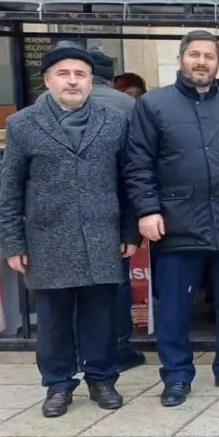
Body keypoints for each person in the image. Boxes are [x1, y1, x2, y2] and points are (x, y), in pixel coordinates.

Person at [125, 30, 219, 408]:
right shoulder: (153, 106)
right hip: (176, 222)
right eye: (194, 55)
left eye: (209, 56)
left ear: (218, 63)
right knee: (174, 307)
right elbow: (138, 163)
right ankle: (176, 375)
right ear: (181, 59)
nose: (201, 62)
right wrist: (147, 209)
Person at [0, 45, 138, 417]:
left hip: (101, 235)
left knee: (101, 316)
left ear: (92, 82)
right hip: (48, 237)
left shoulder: (114, 122)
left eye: (80, 74)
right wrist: (13, 241)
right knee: (55, 321)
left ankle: (101, 378)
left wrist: (129, 232)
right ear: (47, 80)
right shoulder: (23, 124)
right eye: (64, 74)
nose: (72, 81)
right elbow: (10, 189)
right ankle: (58, 385)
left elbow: (127, 183)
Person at [87, 49, 144, 372]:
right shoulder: (129, 105)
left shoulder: (47, 104)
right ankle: (120, 347)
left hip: (68, 210)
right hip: (119, 204)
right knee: (118, 280)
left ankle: (83, 347)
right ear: (110, 76)